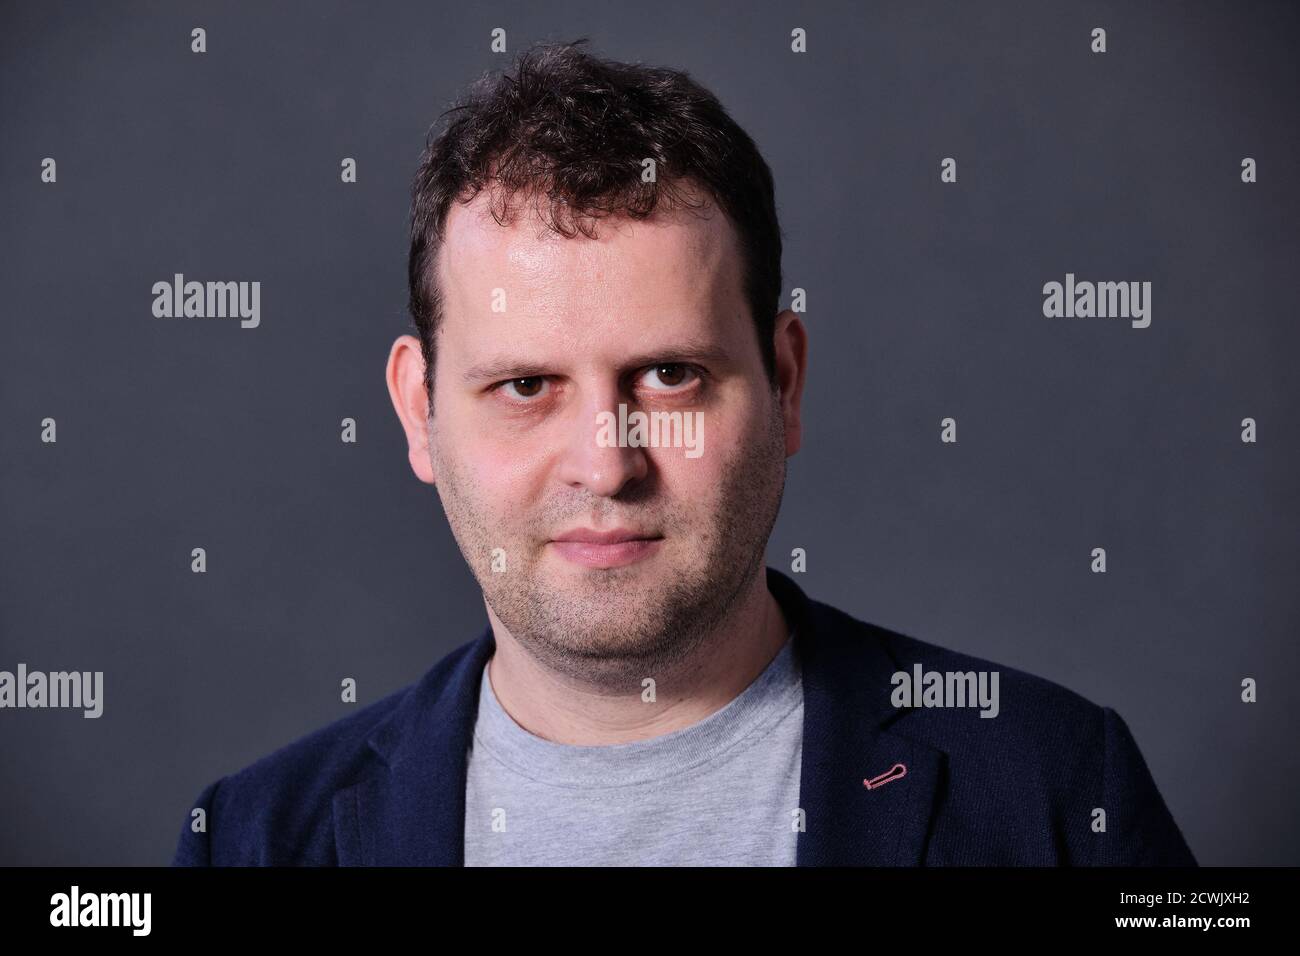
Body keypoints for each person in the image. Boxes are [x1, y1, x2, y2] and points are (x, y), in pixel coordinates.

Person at [171, 39, 1195, 867]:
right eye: (525, 386)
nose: (606, 465)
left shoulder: (1059, 791)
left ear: (784, 381)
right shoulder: (256, 841)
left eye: (669, 376)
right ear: (418, 411)